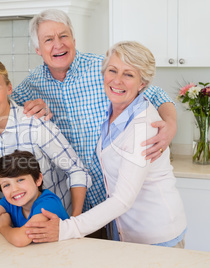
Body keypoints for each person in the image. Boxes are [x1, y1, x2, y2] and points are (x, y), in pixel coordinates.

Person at [11, 9, 177, 237]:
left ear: (73, 40)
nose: (58, 44)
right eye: (48, 39)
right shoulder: (29, 87)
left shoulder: (106, 69)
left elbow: (157, 95)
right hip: (70, 202)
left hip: (114, 199)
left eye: (63, 36)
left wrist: (170, 124)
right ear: (38, 49)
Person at [0, 56, 91, 216]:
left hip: (52, 220)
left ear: (9, 88)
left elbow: (77, 171)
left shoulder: (35, 124)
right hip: (5, 224)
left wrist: (75, 222)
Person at [0, 150, 69, 251]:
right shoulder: (9, 202)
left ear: (38, 180)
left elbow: (20, 239)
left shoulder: (48, 203)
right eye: (6, 185)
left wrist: (4, 227)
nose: (14, 189)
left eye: (20, 180)